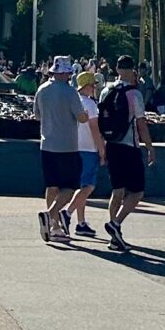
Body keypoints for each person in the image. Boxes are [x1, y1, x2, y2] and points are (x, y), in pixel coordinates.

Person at [34, 56, 89, 244]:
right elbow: (81, 118)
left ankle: (55, 227)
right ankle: (50, 215)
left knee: (51, 186)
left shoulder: (42, 90)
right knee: (69, 188)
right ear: (65, 73)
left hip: (47, 144)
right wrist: (86, 114)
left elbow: (37, 115)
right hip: (67, 146)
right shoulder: (70, 92)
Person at [97, 55, 150, 248]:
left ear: (117, 69)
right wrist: (150, 147)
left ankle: (115, 237)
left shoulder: (105, 91)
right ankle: (115, 223)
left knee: (117, 190)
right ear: (132, 70)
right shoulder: (134, 94)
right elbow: (141, 123)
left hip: (112, 144)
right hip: (129, 146)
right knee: (137, 192)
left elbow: (101, 118)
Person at [68, 68, 104, 237]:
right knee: (88, 186)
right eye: (92, 85)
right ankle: (67, 213)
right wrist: (102, 149)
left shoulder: (73, 101)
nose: (94, 88)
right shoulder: (90, 104)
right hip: (89, 148)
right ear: (87, 86)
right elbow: (94, 129)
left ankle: (81, 222)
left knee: (81, 186)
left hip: (73, 147)